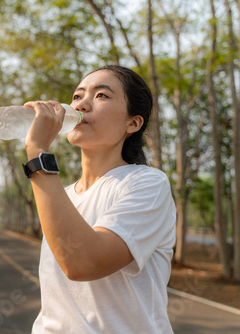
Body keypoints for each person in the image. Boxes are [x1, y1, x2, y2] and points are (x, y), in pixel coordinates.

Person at [22, 65, 176, 333]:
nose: (81, 105)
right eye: (77, 96)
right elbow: (57, 297)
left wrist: (37, 153)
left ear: (133, 122)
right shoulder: (63, 195)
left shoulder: (147, 184)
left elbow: (83, 263)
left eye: (101, 95)